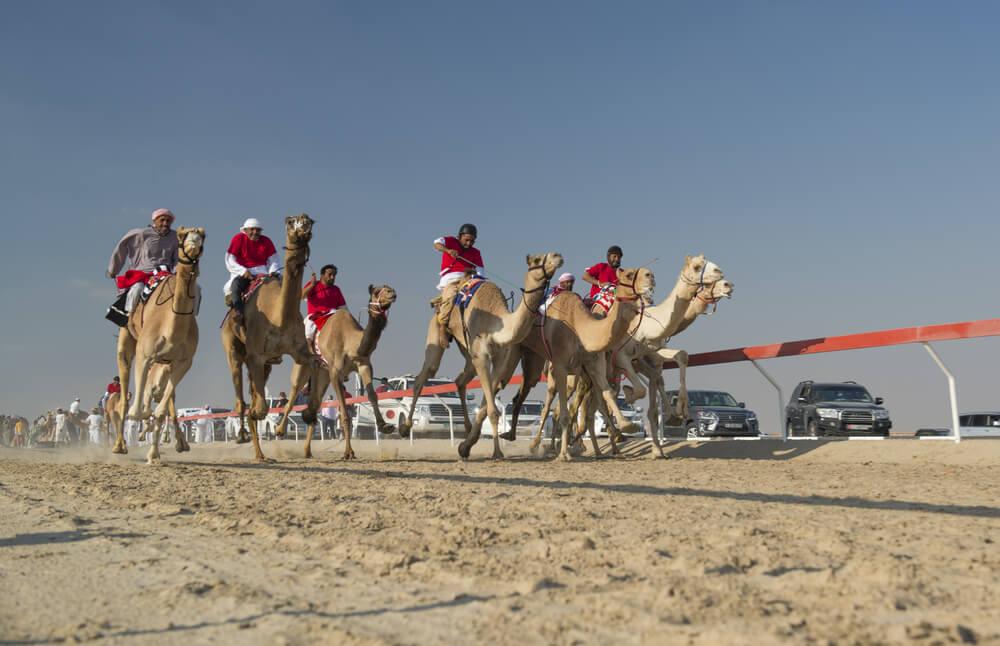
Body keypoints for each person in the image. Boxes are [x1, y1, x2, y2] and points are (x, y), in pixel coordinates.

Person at [107, 209, 181, 318]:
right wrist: (113, 269)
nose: (165, 223)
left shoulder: (176, 237)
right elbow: (121, 248)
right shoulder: (141, 234)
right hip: (142, 275)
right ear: (154, 221)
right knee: (137, 289)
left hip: (166, 275)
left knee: (190, 291)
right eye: (162, 220)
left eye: (168, 221)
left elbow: (178, 259)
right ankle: (128, 319)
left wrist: (178, 274)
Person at [432, 223, 484, 346]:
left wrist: (480, 280)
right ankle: (443, 327)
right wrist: (448, 250)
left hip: (469, 279)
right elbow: (437, 244)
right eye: (466, 240)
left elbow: (480, 270)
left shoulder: (476, 252)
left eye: (472, 241)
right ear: (459, 236)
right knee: (450, 295)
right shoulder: (450, 241)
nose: (469, 243)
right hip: (452, 280)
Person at [224, 218, 280, 331]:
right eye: (252, 229)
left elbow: (274, 260)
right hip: (243, 272)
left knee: (282, 287)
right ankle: (239, 313)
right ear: (245, 230)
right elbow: (230, 259)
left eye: (258, 230)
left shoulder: (266, 241)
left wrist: (273, 271)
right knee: (235, 286)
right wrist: (243, 271)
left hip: (263, 273)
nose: (255, 232)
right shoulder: (238, 239)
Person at [302, 264, 347, 343]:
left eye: (334, 275)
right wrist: (312, 285)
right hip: (315, 316)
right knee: (309, 327)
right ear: (322, 275)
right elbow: (301, 296)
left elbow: (343, 308)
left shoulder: (336, 289)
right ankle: (309, 347)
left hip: (332, 315)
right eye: (330, 274)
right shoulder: (313, 285)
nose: (332, 277)